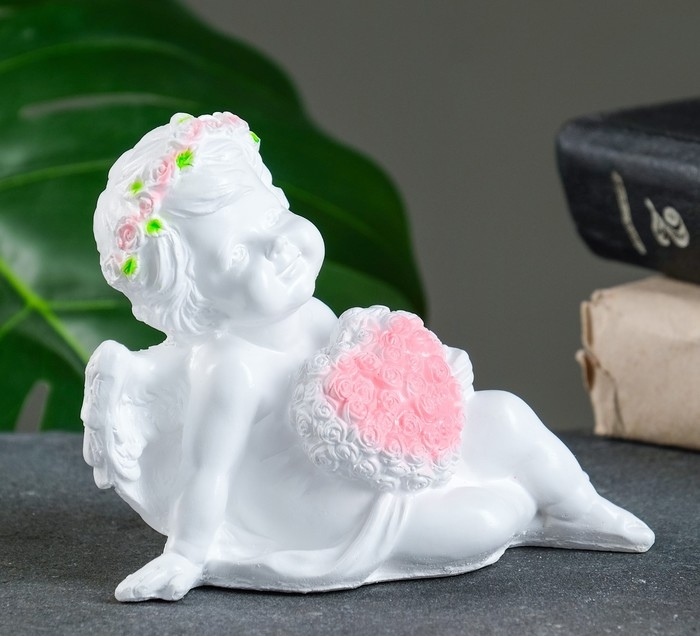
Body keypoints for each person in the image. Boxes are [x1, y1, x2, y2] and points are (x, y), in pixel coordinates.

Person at [82, 112, 654, 602]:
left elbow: (362, 377)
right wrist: (186, 556)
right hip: (332, 509)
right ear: (197, 301)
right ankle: (523, 510)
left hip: (376, 457)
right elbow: (209, 472)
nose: (278, 246)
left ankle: (579, 507)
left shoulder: (308, 313)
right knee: (490, 516)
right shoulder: (229, 368)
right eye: (236, 256)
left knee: (505, 413)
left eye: (274, 216)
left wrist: (424, 385)